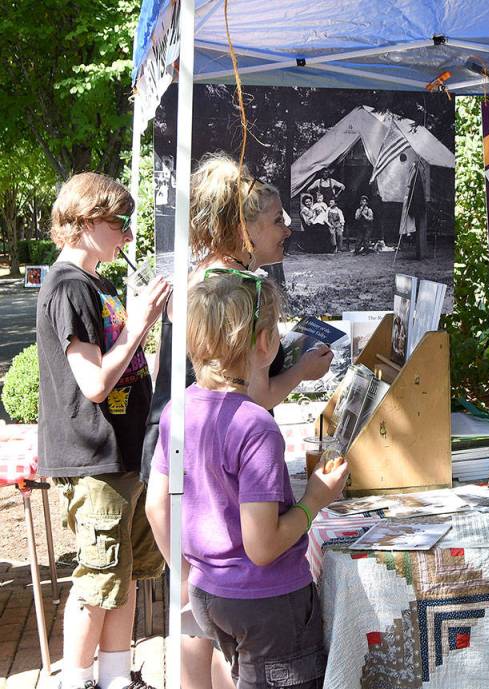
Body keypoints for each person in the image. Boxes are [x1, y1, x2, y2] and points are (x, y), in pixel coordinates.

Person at [141, 153, 332, 689]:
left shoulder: (217, 285)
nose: (287, 228)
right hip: (203, 470)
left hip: (196, 468)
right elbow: (254, 393)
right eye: (275, 220)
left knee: (205, 625)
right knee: (198, 628)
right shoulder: (234, 293)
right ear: (243, 228)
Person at [35, 173, 171, 689]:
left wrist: (162, 328)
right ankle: (77, 681)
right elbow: (93, 383)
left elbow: (130, 364)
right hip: (94, 460)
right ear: (87, 222)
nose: (128, 236)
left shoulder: (98, 282)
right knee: (97, 580)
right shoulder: (69, 287)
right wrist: (138, 325)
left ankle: (115, 677)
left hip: (123, 454)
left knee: (126, 575)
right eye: (120, 224)